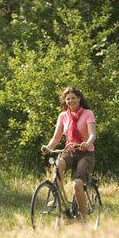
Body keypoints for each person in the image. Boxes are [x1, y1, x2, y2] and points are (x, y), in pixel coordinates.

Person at [41, 86, 96, 221]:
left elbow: (93, 134)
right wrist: (49, 147)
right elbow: (56, 138)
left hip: (85, 153)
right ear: (65, 101)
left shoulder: (88, 113)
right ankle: (61, 203)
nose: (70, 101)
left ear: (79, 99)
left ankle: (83, 217)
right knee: (58, 164)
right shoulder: (63, 116)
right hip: (69, 150)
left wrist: (87, 143)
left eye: (73, 98)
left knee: (77, 184)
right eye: (68, 99)